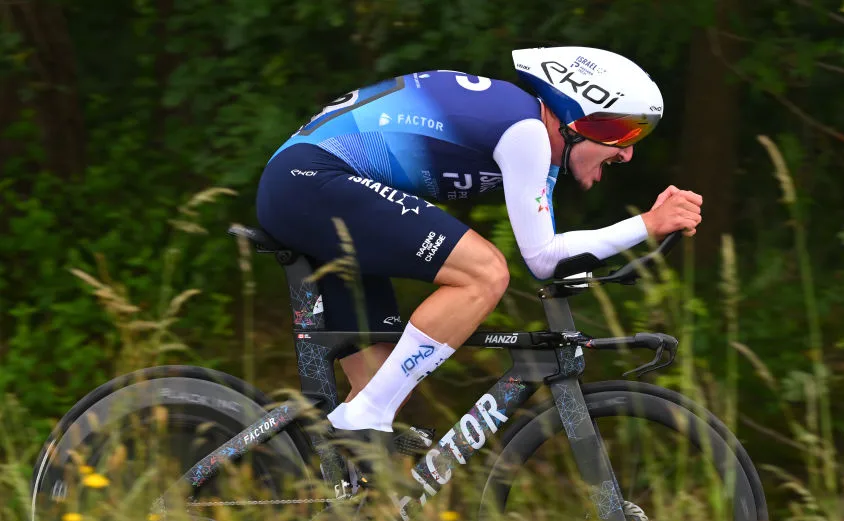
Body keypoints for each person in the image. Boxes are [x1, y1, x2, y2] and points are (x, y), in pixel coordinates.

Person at [256, 45, 703, 457]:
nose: (627, 153)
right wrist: (647, 224)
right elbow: (543, 258)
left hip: (308, 186)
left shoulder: (530, 137)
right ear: (574, 115)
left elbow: (550, 257)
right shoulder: (525, 131)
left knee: (383, 387)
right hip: (312, 181)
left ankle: (328, 505)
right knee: (485, 272)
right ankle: (359, 419)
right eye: (620, 129)